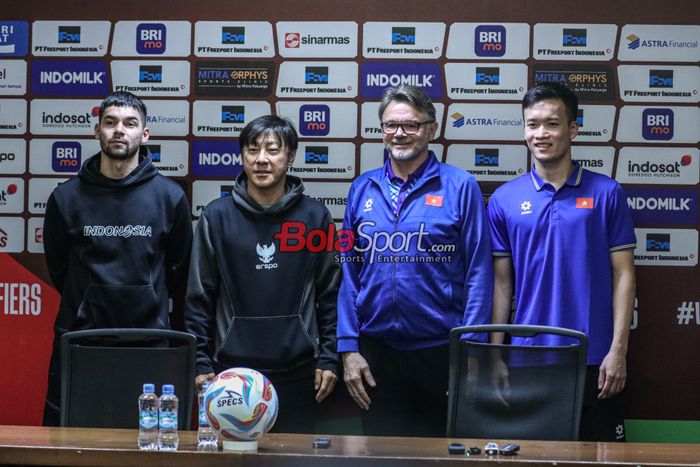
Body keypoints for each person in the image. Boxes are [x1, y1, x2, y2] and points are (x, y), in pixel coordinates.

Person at [337, 85, 493, 437]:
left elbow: (479, 273)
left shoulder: (460, 186)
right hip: (378, 354)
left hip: (441, 351)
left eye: (411, 125)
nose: (400, 134)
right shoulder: (362, 188)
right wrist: (348, 349)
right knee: (382, 460)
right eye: (391, 125)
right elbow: (349, 271)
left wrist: (471, 350)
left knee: (441, 460)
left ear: (431, 129)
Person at [487, 82, 636, 441]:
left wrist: (617, 351)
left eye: (552, 124)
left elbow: (624, 275)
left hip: (594, 358)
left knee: (603, 460)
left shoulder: (607, 192)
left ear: (572, 129)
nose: (541, 133)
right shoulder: (504, 199)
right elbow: (502, 284)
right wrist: (494, 355)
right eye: (532, 124)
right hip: (528, 356)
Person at [42, 91, 193, 425]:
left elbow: (178, 270)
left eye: (130, 123)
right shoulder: (66, 197)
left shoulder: (169, 197)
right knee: (69, 445)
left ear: (145, 134)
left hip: (148, 343)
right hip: (81, 341)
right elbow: (58, 267)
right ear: (98, 131)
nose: (119, 131)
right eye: (110, 123)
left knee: (146, 446)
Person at [185, 115, 340, 434]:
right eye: (252, 150)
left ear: (291, 156)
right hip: (230, 374)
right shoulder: (217, 216)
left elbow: (332, 293)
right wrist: (200, 361)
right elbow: (199, 296)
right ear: (242, 156)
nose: (262, 159)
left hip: (300, 373)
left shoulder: (315, 217)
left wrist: (329, 357)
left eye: (272, 150)